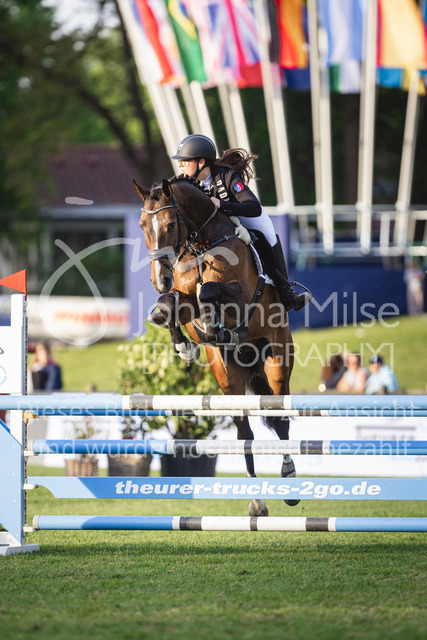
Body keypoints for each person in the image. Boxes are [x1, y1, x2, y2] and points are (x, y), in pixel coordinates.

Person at [171, 134, 312, 312]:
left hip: (241, 215)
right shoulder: (184, 184)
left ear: (201, 162)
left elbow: (253, 207)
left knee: (267, 235)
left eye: (185, 161)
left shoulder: (226, 176)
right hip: (211, 228)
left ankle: (286, 292)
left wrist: (222, 205)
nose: (180, 165)